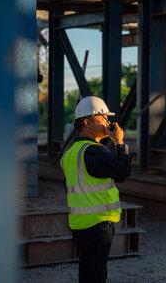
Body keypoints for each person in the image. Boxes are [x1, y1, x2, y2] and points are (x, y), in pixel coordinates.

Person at [60, 96, 131, 283]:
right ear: (87, 122)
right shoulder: (93, 151)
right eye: (104, 118)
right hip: (98, 224)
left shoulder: (70, 154)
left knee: (88, 271)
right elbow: (122, 172)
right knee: (96, 275)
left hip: (80, 223)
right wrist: (120, 144)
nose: (108, 122)